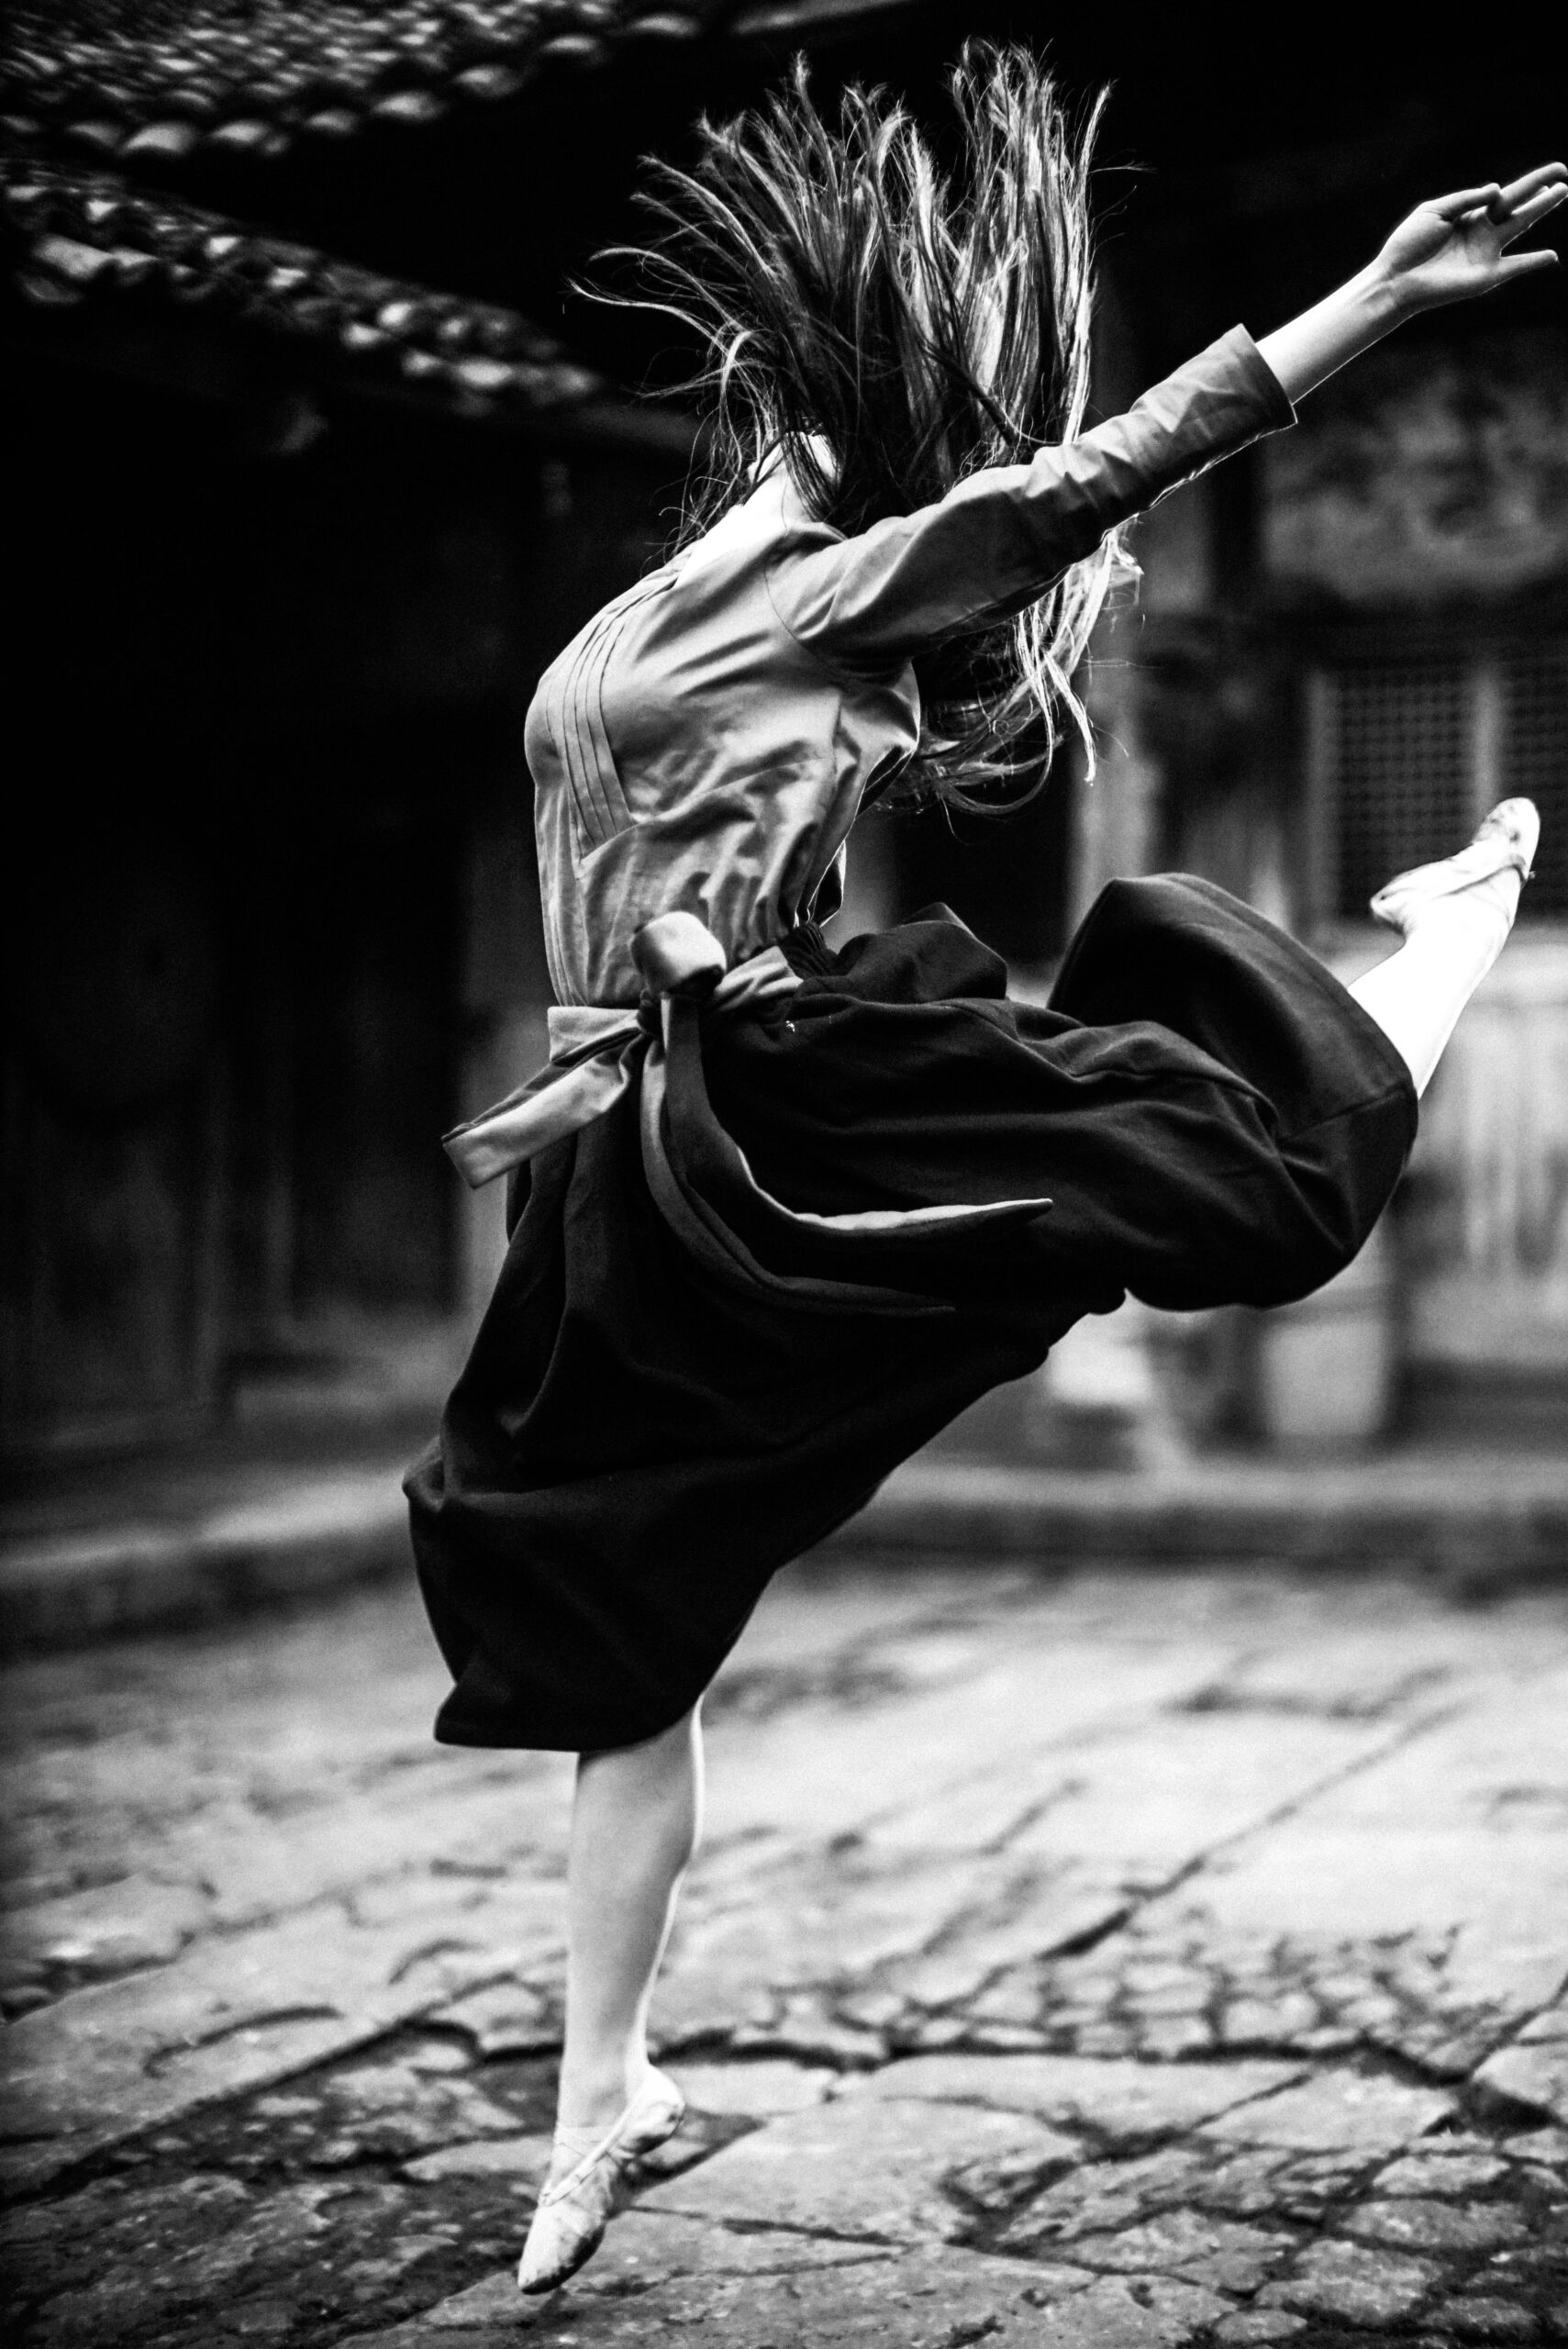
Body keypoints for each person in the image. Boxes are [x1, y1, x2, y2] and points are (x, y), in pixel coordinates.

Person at [403, 46, 1563, 2296]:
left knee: (1235, 1196)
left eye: (798, 400)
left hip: (786, 1082)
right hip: (622, 1164)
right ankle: (608, 2088)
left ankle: (1441, 943)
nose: (765, 409)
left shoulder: (849, 594)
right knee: (617, 1622)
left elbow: (1112, 463)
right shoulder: (644, 608)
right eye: (761, 391)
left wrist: (1385, 295)